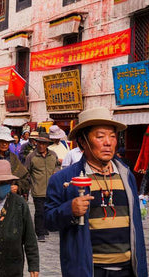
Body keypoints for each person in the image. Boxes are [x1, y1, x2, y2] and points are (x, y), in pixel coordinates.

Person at [45, 107, 147, 277]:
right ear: (83, 141)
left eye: (112, 136)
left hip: (128, 270)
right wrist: (69, 209)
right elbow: (48, 221)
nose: (108, 142)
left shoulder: (126, 174)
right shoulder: (65, 179)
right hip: (90, 270)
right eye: (100, 136)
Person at [24, 132, 59, 242]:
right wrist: (29, 185)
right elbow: (26, 172)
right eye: (39, 143)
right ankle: (39, 233)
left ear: (47, 144)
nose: (41, 146)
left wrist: (56, 172)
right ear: (36, 143)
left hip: (51, 189)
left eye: (44, 143)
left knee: (48, 210)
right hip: (38, 189)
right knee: (39, 212)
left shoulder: (53, 155)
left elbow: (58, 166)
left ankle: (45, 229)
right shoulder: (31, 156)